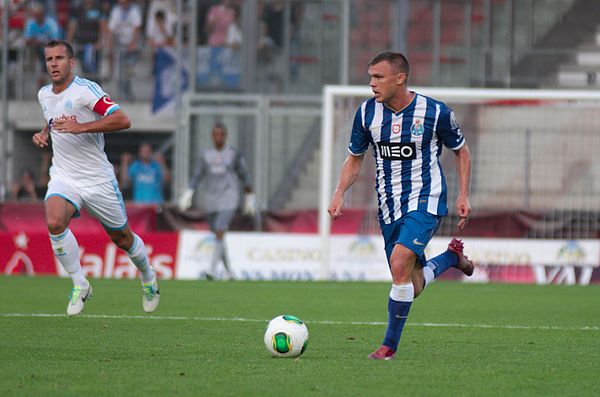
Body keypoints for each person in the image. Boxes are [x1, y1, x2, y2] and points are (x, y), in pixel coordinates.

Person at [328, 51, 474, 360]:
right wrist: (339, 191)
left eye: (378, 77)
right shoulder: (367, 114)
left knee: (399, 263)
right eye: (370, 77)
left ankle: (388, 347)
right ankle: (450, 258)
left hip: (426, 199)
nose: (372, 84)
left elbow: (461, 151)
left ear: (400, 78)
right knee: (412, 283)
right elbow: (355, 159)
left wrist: (463, 195)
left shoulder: (435, 112)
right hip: (389, 207)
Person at [32, 40, 159, 316]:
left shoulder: (86, 91)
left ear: (71, 62)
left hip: (97, 179)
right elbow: (53, 119)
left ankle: (148, 276)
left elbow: (123, 119)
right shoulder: (44, 94)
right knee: (54, 221)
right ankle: (80, 283)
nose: (54, 64)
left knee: (122, 238)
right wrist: (44, 133)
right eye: (49, 59)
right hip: (65, 175)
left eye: (59, 58)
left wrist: (82, 128)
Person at [178, 123, 255, 280]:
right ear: (212, 136)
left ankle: (212, 270)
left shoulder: (233, 154)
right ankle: (230, 272)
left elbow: (244, 175)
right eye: (215, 134)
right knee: (218, 236)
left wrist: (249, 197)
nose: (218, 137)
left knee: (220, 230)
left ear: (225, 136)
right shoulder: (206, 155)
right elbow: (198, 175)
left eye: (221, 134)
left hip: (229, 197)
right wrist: (189, 192)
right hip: (212, 199)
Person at [107, 0, 141, 101]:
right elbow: (111, 28)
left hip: (132, 46)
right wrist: (110, 42)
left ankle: (127, 94)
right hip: (121, 45)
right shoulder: (116, 10)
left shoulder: (134, 10)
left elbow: (137, 27)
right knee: (122, 72)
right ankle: (125, 95)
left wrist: (133, 43)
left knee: (127, 70)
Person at [24, 2, 60, 87]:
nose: (37, 17)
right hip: (35, 50)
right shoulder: (31, 23)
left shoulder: (51, 23)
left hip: (49, 49)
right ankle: (30, 65)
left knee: (46, 55)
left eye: (39, 15)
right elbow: (27, 40)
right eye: (35, 15)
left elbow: (56, 40)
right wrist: (37, 41)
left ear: (43, 14)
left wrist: (42, 41)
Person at [66, 0, 107, 77]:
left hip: (95, 46)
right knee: (84, 71)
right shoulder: (77, 9)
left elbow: (103, 25)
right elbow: (72, 26)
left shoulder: (98, 8)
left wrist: (101, 41)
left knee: (95, 72)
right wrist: (68, 43)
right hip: (82, 45)